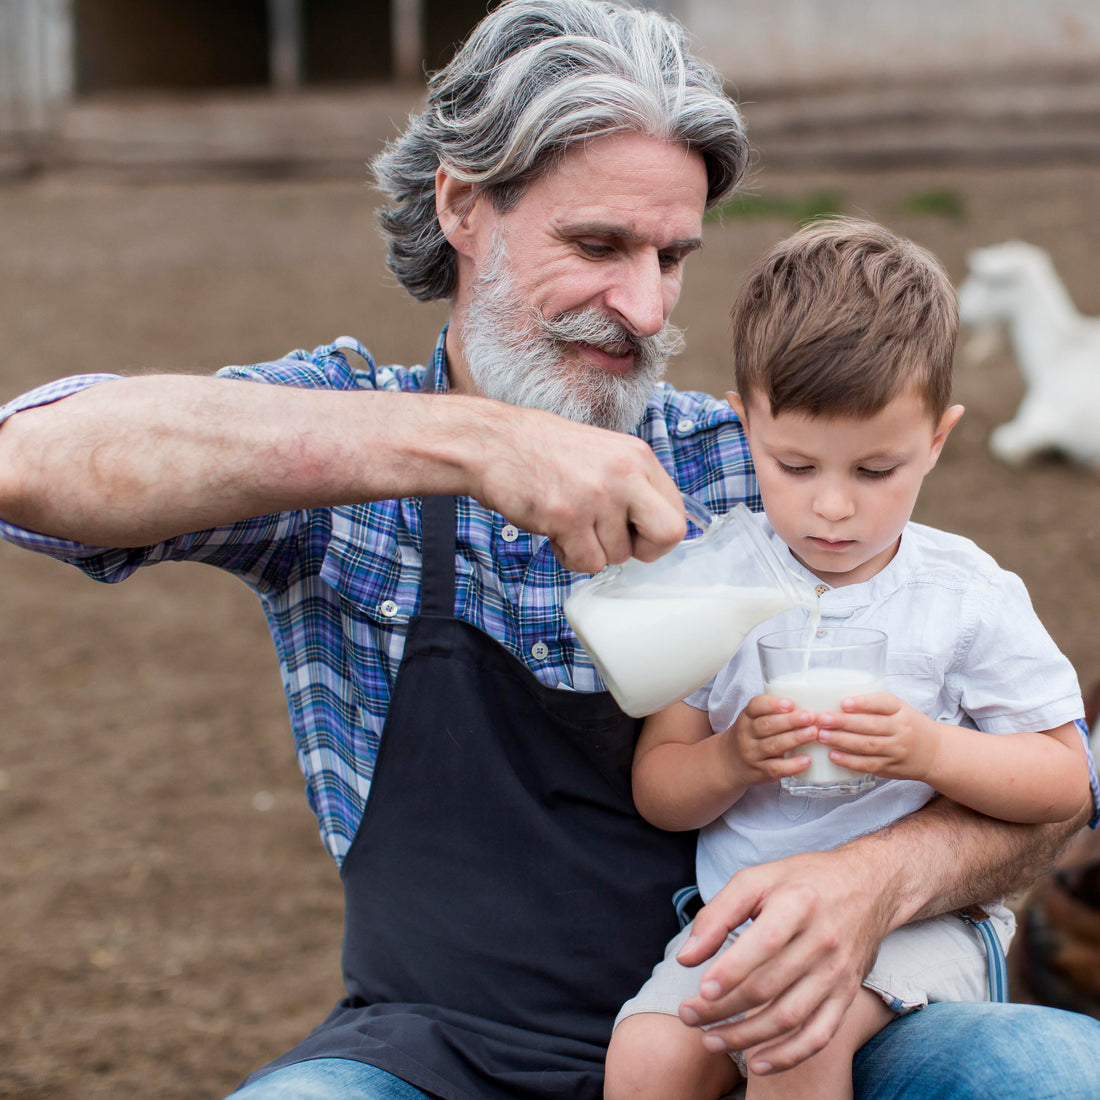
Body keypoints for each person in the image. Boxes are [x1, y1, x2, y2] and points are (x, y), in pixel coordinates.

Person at [0, 2, 1098, 1098]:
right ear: (461, 205)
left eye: (672, 256)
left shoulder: (766, 472)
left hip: (790, 1030)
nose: (645, 307)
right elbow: (30, 461)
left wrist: (874, 880)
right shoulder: (346, 454)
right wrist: (472, 444)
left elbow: (1046, 787)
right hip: (434, 1053)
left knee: (1049, 1070)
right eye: (598, 245)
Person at [604, 218, 1091, 1100]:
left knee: (796, 1029)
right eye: (795, 466)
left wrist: (929, 750)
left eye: (875, 471)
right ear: (745, 424)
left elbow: (1064, 780)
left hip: (920, 928)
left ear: (936, 440)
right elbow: (659, 788)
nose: (833, 508)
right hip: (740, 920)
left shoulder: (964, 595)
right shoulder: (717, 582)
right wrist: (731, 757)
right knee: (644, 1060)